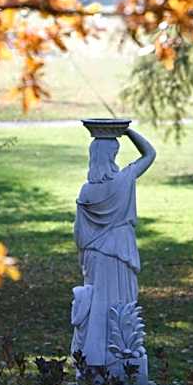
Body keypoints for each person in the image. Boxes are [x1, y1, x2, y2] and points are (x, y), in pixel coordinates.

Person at [71, 129, 156, 368]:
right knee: (120, 303)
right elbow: (150, 153)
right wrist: (127, 131)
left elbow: (79, 233)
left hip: (95, 256)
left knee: (97, 302)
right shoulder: (123, 180)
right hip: (120, 251)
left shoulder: (87, 191)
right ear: (112, 156)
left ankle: (92, 356)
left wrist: (85, 253)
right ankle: (120, 357)